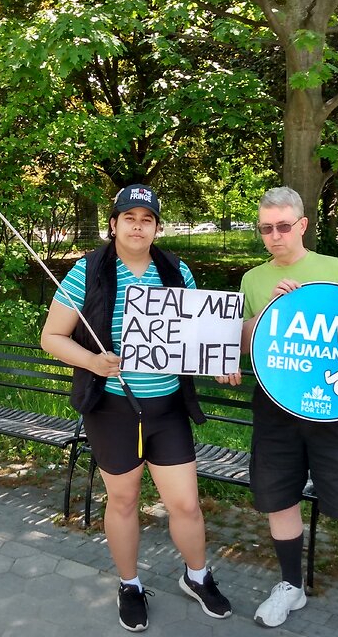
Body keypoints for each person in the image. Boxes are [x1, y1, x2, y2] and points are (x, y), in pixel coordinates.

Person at [40, 183, 233, 632]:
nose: (138, 226)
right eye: (130, 217)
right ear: (113, 224)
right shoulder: (87, 272)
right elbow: (51, 337)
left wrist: (218, 360)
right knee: (123, 500)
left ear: (157, 228)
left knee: (185, 504)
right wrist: (93, 361)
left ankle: (197, 576)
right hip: (113, 409)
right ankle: (129, 584)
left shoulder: (174, 269)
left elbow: (195, 338)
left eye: (147, 219)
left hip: (166, 408)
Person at [218, 186, 338, 637]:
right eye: (266, 228)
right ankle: (290, 585)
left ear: (301, 225)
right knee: (279, 501)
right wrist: (258, 327)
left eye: (283, 226)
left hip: (333, 408)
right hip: (276, 406)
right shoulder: (253, 279)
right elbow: (247, 342)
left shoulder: (333, 269)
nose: (275, 236)